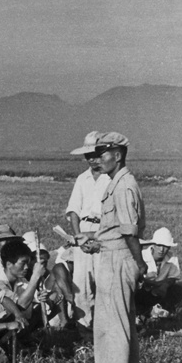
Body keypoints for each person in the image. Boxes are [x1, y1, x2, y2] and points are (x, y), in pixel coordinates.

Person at [81, 132, 146, 363]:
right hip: (113, 253)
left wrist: (139, 263)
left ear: (117, 156)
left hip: (119, 258)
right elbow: (117, 231)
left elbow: (129, 231)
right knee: (119, 320)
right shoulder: (117, 182)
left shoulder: (123, 185)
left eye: (103, 154)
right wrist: (98, 244)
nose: (99, 159)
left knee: (113, 323)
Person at [64, 130, 108, 327]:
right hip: (83, 229)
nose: (92, 159)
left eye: (95, 155)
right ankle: (84, 325)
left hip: (104, 231)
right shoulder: (82, 179)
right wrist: (78, 237)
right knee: (81, 282)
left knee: (104, 280)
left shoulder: (112, 178)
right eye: (88, 155)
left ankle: (105, 324)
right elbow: (73, 210)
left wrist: (96, 239)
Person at [137, 227, 182, 319]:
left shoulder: (172, 259)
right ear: (153, 244)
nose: (161, 250)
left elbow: (173, 277)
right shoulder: (142, 256)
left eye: (165, 246)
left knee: (181, 287)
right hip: (144, 291)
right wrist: (149, 282)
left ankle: (160, 308)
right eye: (159, 245)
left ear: (169, 247)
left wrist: (165, 285)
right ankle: (144, 311)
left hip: (160, 291)